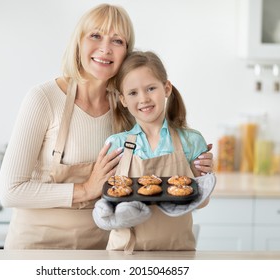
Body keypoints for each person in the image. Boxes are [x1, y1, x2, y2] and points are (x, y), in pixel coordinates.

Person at [0, 4, 214, 250]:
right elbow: (10, 191)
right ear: (79, 42)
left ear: (126, 52)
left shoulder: (129, 107)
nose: (105, 48)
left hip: (105, 248)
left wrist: (195, 173)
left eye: (117, 40)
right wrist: (86, 189)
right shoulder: (44, 99)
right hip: (38, 246)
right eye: (96, 35)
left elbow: (153, 182)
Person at [93, 51, 216, 253]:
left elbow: (202, 203)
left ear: (166, 88)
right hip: (124, 254)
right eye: (133, 93)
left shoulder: (191, 141)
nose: (144, 99)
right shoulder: (116, 145)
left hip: (177, 254)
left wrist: (202, 179)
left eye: (151, 88)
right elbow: (106, 200)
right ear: (123, 99)